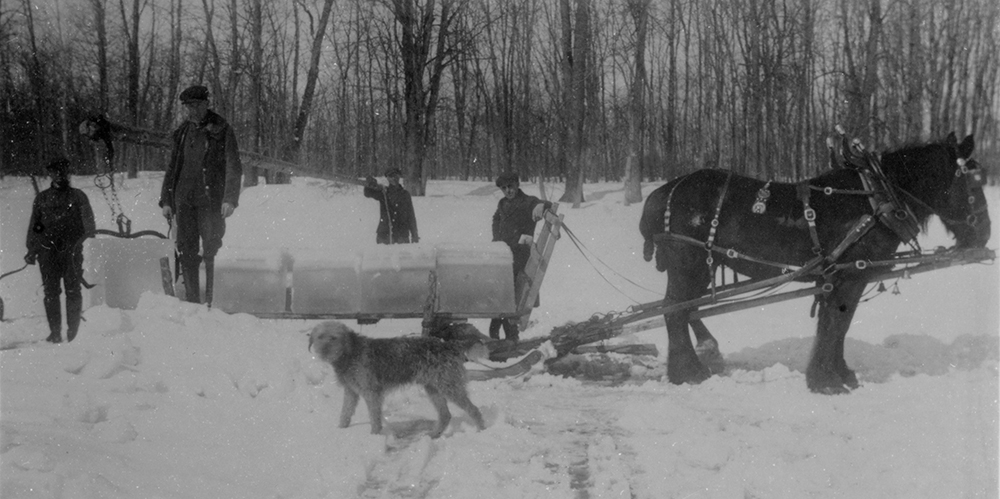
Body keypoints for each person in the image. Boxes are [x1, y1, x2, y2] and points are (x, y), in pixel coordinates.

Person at [159, 85, 242, 304]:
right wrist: (167, 200)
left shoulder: (221, 129)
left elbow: (233, 165)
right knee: (186, 251)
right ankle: (193, 302)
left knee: (211, 248)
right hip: (183, 201)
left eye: (196, 105)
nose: (192, 110)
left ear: (206, 104)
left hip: (210, 202)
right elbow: (173, 168)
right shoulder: (182, 132)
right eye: (188, 106)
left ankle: (212, 302)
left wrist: (230, 198)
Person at [25, 158, 96, 343]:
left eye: (62, 171)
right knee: (51, 292)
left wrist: (86, 244)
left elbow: (89, 226)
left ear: (68, 173)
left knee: (73, 290)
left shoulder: (78, 196)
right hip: (48, 253)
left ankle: (74, 333)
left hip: (72, 252)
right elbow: (37, 226)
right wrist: (32, 248)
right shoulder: (42, 199)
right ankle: (55, 332)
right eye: (55, 172)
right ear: (50, 174)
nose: (59, 175)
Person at [489, 172, 551, 342]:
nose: (508, 191)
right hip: (503, 254)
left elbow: (544, 204)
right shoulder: (502, 203)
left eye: (511, 187)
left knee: (511, 297)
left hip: (520, 256)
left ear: (517, 185)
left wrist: (542, 206)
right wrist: (496, 239)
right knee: (500, 293)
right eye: (504, 188)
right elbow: (496, 218)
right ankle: (496, 334)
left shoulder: (527, 201)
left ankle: (511, 337)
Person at [364, 167, 419, 244]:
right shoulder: (383, 192)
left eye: (395, 176)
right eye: (390, 176)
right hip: (385, 234)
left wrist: (414, 234)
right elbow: (368, 193)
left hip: (401, 235)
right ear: (387, 178)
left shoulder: (405, 195)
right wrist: (369, 184)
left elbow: (411, 216)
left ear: (399, 177)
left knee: (402, 256)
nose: (393, 179)